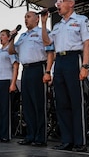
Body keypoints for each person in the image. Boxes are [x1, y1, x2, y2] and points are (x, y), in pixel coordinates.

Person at [41, 0, 89, 152]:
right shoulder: (57, 26)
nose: (57, 5)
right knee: (61, 102)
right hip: (60, 61)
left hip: (74, 59)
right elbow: (46, 42)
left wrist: (85, 65)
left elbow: (87, 43)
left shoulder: (81, 20)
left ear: (71, 4)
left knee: (76, 101)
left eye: (60, 2)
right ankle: (66, 140)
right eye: (56, 2)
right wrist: (43, 23)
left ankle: (80, 141)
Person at [8, 13, 54, 146]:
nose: (25, 19)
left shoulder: (42, 32)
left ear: (37, 19)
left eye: (28, 16)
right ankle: (30, 135)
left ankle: (40, 137)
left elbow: (50, 52)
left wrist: (47, 71)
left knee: (38, 104)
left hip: (38, 67)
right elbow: (11, 51)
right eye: (24, 17)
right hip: (26, 70)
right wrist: (12, 38)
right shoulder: (22, 36)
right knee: (27, 105)